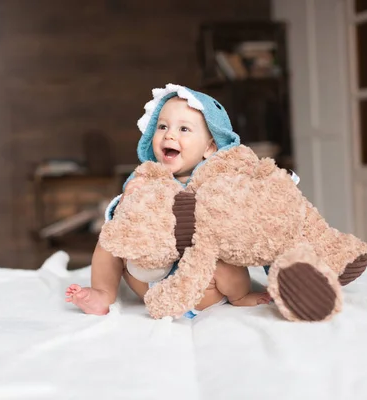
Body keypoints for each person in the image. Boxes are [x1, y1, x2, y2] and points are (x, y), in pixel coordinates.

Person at [66, 84, 275, 318]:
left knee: (225, 262)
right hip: (152, 283)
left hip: (205, 286)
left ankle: (240, 296)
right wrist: (127, 200)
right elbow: (125, 222)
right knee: (110, 238)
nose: (170, 134)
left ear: (210, 148)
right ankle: (102, 293)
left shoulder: (219, 181)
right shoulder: (146, 176)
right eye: (162, 126)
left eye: (184, 129)